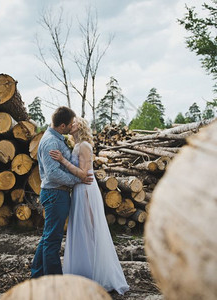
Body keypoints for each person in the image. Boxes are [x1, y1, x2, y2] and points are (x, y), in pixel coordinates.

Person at [49, 117, 130, 295]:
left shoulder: (85, 145)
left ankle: (97, 275)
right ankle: (83, 273)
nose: (71, 124)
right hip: (78, 189)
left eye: (75, 122)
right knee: (80, 230)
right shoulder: (76, 145)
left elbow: (84, 174)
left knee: (90, 228)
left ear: (82, 126)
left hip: (85, 190)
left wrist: (63, 160)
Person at [30, 107, 93, 278]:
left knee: (48, 238)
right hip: (55, 194)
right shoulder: (51, 141)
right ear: (63, 125)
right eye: (71, 123)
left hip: (57, 194)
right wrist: (77, 181)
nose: (73, 125)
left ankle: (37, 276)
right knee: (53, 240)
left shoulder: (57, 138)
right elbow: (53, 174)